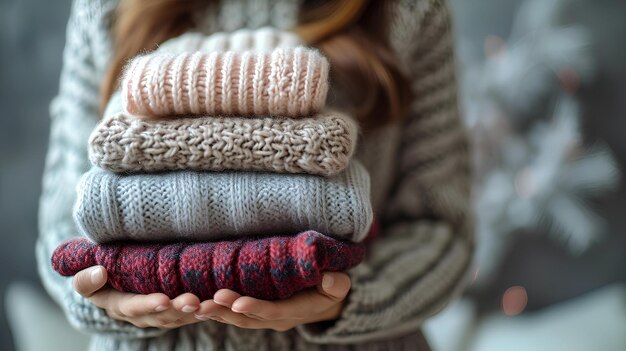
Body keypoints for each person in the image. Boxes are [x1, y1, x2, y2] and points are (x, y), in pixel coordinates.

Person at [36, 0, 473, 349]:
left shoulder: (409, 9)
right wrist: (105, 297)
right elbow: (67, 214)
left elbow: (443, 227)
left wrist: (346, 301)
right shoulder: (106, 7)